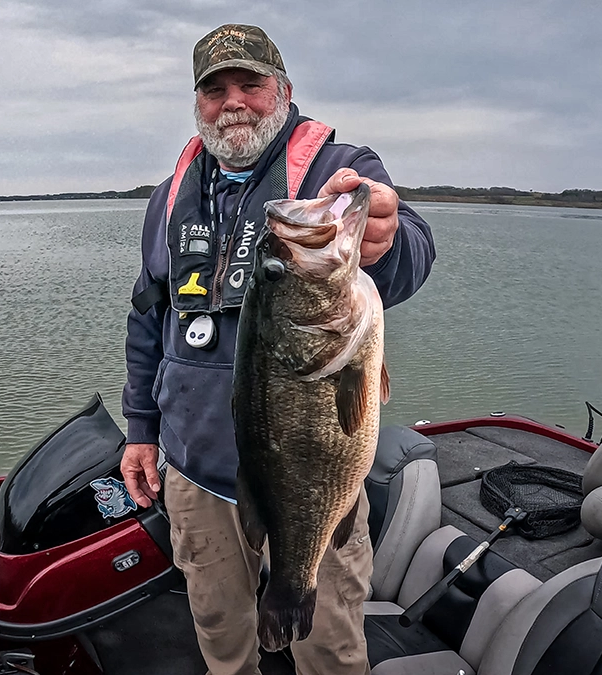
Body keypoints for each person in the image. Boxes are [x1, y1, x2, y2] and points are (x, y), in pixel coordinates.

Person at [120, 23, 436, 675]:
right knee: (220, 636)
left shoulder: (334, 169)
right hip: (196, 470)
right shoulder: (170, 197)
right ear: (197, 103)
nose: (233, 102)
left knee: (330, 647)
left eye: (251, 84)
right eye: (215, 89)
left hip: (313, 474)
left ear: (284, 91)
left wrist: (385, 239)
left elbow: (409, 252)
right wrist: (140, 430)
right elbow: (148, 317)